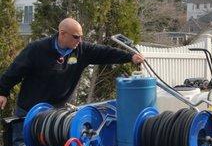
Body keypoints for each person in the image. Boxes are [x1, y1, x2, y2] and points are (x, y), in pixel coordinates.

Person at [0, 17, 144, 117]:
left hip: (57, 112)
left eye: (81, 36)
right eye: (76, 36)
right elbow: (15, 70)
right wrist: (3, 92)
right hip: (29, 110)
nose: (79, 40)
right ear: (62, 34)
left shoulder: (82, 50)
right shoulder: (37, 49)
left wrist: (129, 57)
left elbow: (104, 52)